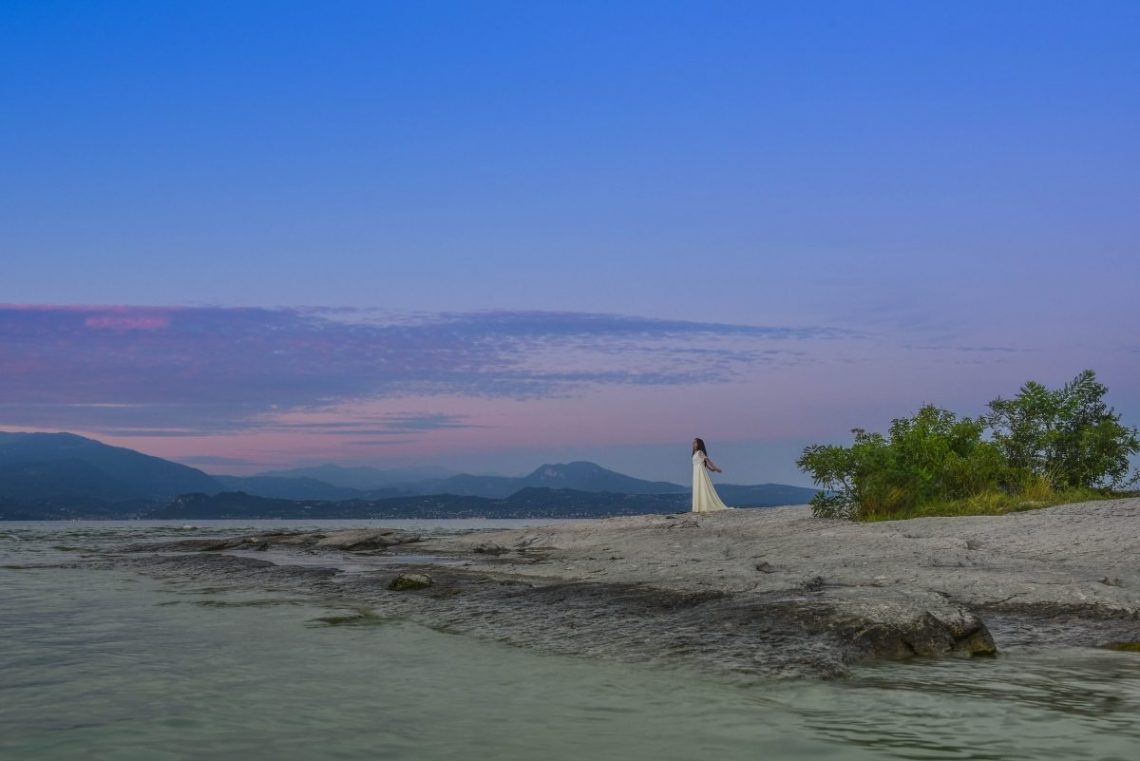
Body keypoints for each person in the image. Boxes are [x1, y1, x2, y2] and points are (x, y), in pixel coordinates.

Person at [691, 437, 730, 512]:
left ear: (699, 444)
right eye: (693, 443)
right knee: (698, 487)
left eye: (695, 442)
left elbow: (707, 460)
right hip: (696, 473)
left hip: (700, 472)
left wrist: (715, 468)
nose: (693, 444)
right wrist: (710, 469)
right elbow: (702, 462)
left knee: (702, 487)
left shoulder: (700, 452)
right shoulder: (695, 453)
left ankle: (703, 506)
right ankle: (698, 507)